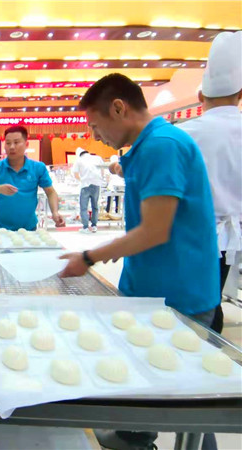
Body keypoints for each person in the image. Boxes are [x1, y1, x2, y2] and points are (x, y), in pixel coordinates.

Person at [60, 72, 221, 450]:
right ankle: (134, 436)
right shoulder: (151, 144)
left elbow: (155, 231)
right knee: (144, 380)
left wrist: (88, 257)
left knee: (187, 400)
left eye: (96, 126)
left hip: (178, 295)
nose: (96, 136)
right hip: (151, 288)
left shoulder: (162, 146)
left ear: (119, 108)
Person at [177, 31, 242, 333]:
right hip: (231, 237)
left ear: (200, 97)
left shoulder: (185, 133)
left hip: (190, 235)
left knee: (193, 303)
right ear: (240, 94)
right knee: (212, 298)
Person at [0, 125, 65, 230]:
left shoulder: (38, 168)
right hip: (2, 230)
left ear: (26, 144)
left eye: (16, 142)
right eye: (8, 143)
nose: (12, 147)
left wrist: (55, 212)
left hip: (29, 229)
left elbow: (50, 192)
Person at [72, 147, 105, 233]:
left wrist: (81, 181)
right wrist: (100, 180)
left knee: (84, 207)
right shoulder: (97, 158)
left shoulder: (79, 160)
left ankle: (85, 227)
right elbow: (102, 171)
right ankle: (94, 226)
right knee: (95, 206)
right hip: (96, 185)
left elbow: (75, 174)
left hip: (85, 185)